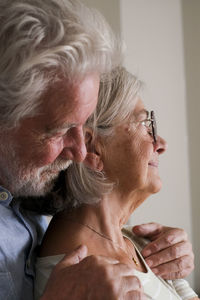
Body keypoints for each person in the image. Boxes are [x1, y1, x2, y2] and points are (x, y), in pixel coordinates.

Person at [0, 0, 194, 299]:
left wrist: (170, 274)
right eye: (61, 130)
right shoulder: (80, 258)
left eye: (82, 126)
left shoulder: (29, 196)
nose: (79, 152)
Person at [35, 67, 199, 299]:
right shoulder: (83, 278)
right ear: (92, 149)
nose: (161, 143)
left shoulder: (137, 242)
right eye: (145, 124)